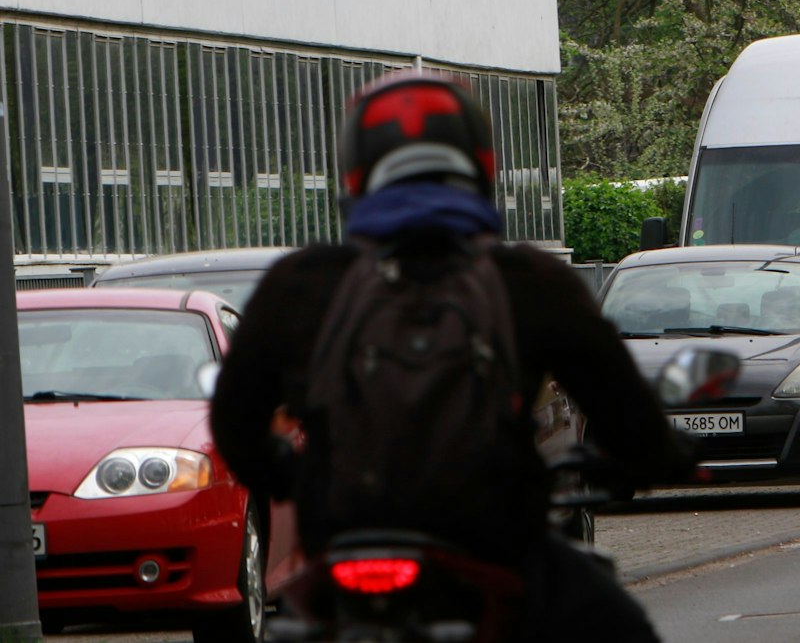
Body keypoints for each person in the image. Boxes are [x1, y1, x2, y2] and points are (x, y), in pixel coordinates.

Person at [211, 72, 684, 641]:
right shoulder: (529, 282)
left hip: (345, 549)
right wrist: (660, 456)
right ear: (480, 167)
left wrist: (294, 476)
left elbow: (233, 423)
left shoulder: (302, 285)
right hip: (492, 551)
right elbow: (629, 421)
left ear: (355, 175)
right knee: (621, 627)